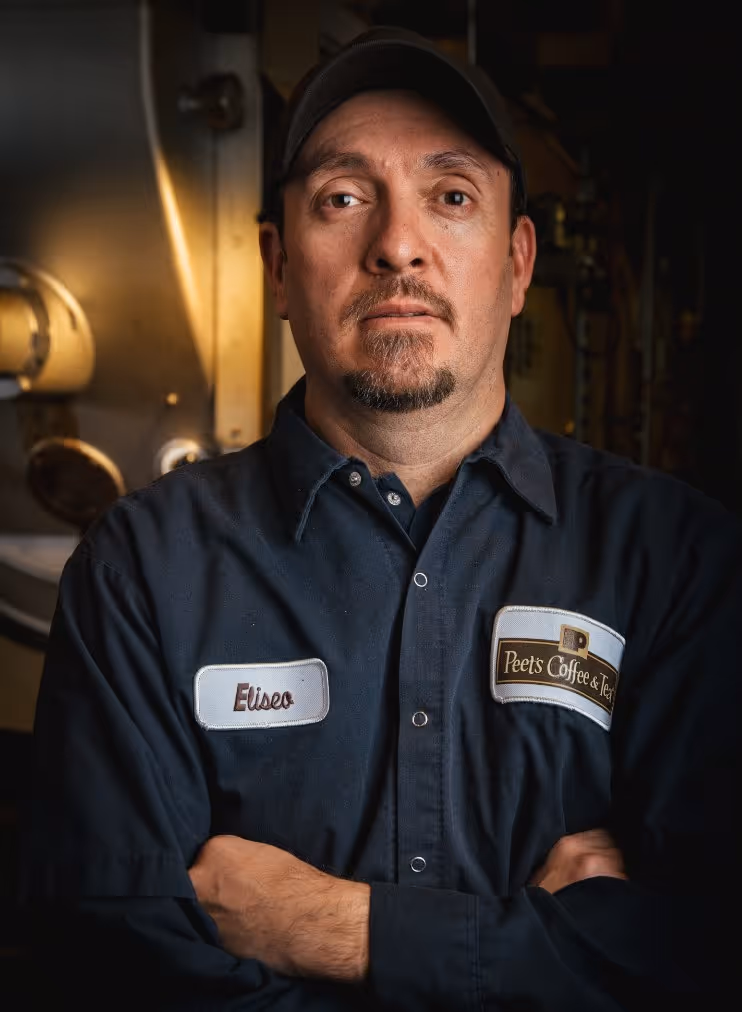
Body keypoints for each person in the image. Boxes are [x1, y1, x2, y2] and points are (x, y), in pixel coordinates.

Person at [23, 26, 740, 1011]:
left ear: (518, 262)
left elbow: (706, 955)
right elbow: (114, 966)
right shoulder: (142, 571)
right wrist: (534, 957)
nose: (396, 244)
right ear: (278, 266)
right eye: (343, 199)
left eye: (451, 197)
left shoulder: (679, 560)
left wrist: (338, 926)